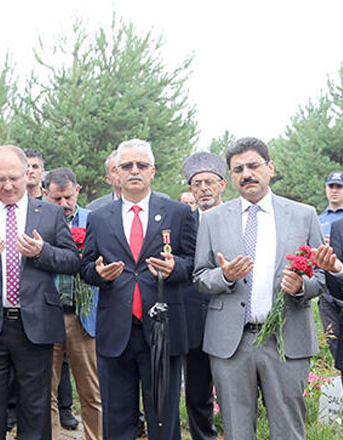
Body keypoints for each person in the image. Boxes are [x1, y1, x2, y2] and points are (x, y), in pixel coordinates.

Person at [195, 137, 325, 440]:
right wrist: (224, 276)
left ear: (270, 167)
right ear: (230, 177)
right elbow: (199, 276)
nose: (246, 174)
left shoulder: (303, 214)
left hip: (285, 339)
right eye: (238, 169)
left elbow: (320, 276)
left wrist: (300, 287)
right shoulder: (213, 220)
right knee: (238, 431)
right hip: (231, 343)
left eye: (253, 165)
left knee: (289, 430)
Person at [0, 145, 79, 440]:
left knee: (35, 411)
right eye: (0, 179)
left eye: (14, 178)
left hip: (35, 325)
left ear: (28, 175)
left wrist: (42, 252)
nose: (7, 185)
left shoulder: (49, 214)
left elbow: (72, 261)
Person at [80, 139, 196, 440]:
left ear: (152, 171)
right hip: (116, 331)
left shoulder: (178, 213)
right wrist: (99, 273)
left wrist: (174, 269)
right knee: (117, 420)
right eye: (127, 166)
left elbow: (192, 262)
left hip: (162, 329)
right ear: (116, 172)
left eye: (141, 165)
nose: (134, 171)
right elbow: (86, 267)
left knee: (164, 418)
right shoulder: (99, 217)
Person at [43, 167, 103, 440]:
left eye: (68, 197)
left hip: (83, 316)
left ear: (77, 190)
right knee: (45, 391)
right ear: (45, 194)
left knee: (92, 391)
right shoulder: (39, 219)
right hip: (47, 314)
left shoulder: (95, 220)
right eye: (56, 199)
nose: (64, 205)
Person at [180, 152, 227, 440]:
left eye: (210, 182)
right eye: (197, 184)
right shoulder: (184, 221)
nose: (204, 188)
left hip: (229, 314)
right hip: (192, 317)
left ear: (222, 184)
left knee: (234, 390)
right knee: (197, 391)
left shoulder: (237, 218)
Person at [319, 171, 343, 366]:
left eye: (339, 187)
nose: (334, 191)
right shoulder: (318, 219)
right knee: (333, 341)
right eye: (331, 186)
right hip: (326, 290)